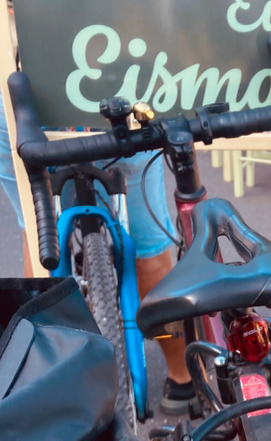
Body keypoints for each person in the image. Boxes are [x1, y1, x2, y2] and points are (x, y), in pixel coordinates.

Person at [0, 93, 195, 414]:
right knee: (148, 256)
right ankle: (183, 377)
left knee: (40, 244)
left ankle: (45, 383)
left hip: (20, 108)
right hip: (109, 93)